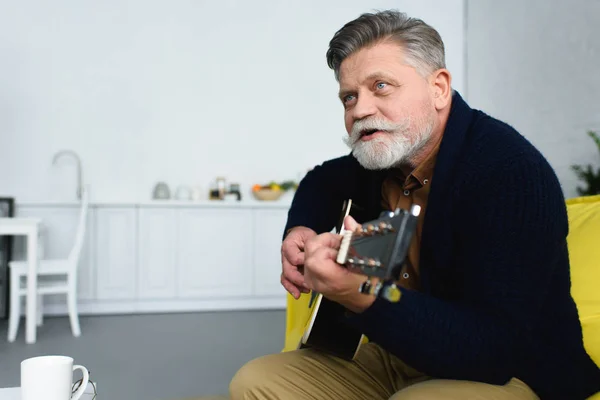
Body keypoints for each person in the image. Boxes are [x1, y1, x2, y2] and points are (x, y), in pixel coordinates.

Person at [229, 9, 600, 400]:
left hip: (514, 371)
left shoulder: (511, 174)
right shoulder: (383, 155)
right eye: (349, 97)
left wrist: (362, 292)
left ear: (438, 88)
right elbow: (322, 180)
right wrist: (300, 229)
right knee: (256, 381)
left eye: (381, 86)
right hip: (403, 355)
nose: (360, 110)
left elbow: (494, 349)